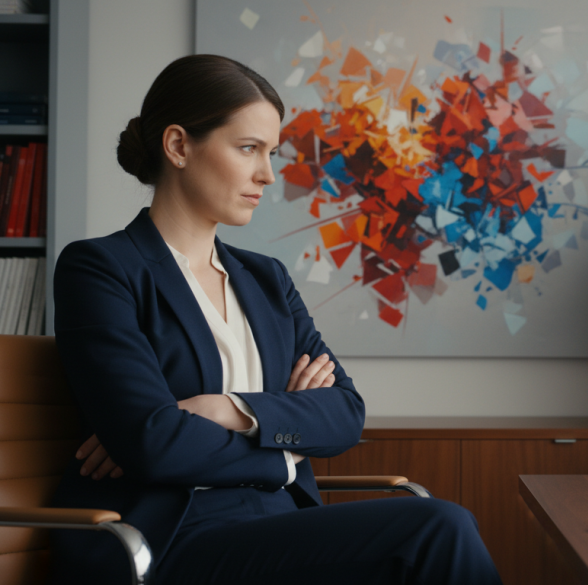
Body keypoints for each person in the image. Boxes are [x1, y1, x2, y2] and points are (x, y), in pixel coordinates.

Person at [48, 54, 502, 585]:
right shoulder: (102, 268)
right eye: (248, 149)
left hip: (281, 526)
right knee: (436, 528)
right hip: (172, 539)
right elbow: (154, 443)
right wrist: (283, 453)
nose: (267, 173)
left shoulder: (265, 278)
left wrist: (229, 409)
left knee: (434, 534)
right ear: (178, 146)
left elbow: (344, 413)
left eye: (271, 152)